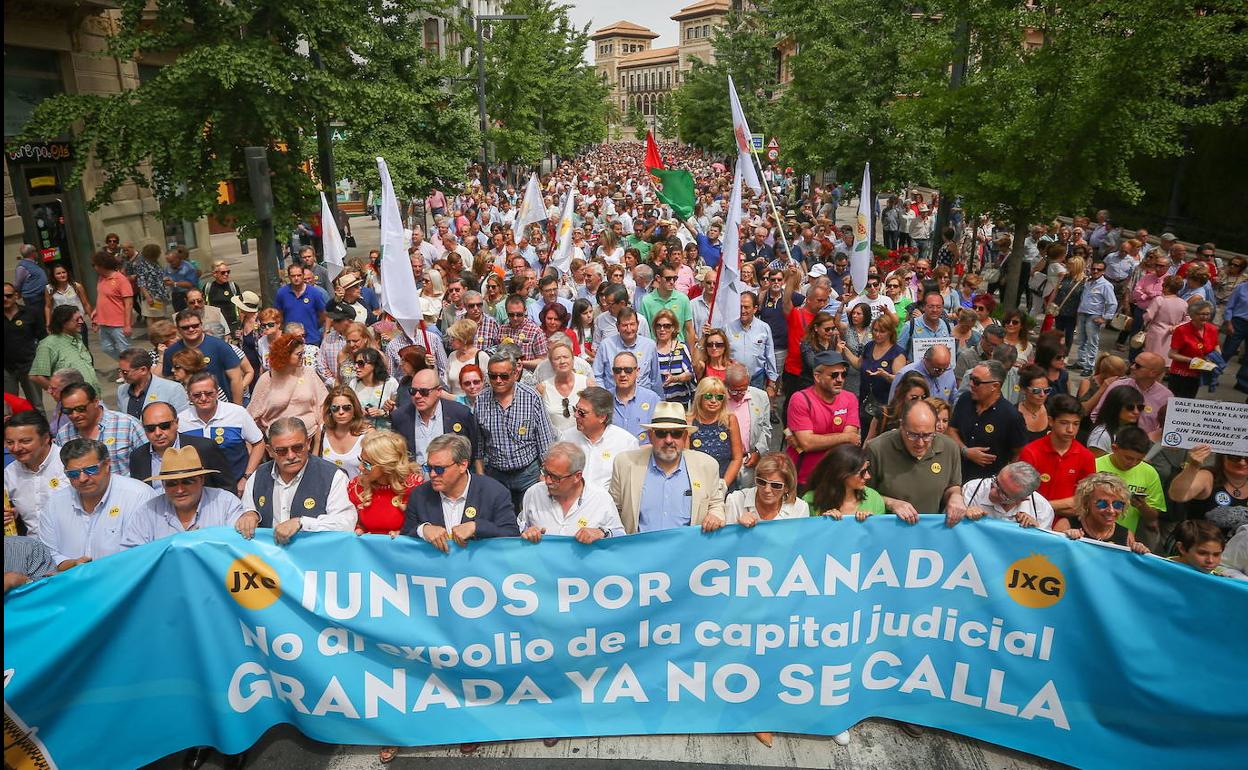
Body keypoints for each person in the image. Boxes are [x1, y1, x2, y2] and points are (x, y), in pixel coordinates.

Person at [609, 401, 727, 534]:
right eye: (662, 433)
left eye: (676, 433)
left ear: (684, 436)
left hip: (687, 551)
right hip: (639, 551)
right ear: (650, 436)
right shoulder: (625, 464)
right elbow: (612, 511)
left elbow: (716, 504)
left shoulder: (707, 466)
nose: (669, 440)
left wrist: (715, 516)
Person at [40, 438, 158, 569]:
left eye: (90, 470)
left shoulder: (138, 496)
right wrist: (72, 565)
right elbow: (47, 554)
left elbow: (149, 554)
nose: (82, 478)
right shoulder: (54, 504)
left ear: (107, 464)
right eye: (73, 474)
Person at [235, 417, 356, 545]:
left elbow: (346, 523)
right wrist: (250, 515)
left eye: (297, 448)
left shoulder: (333, 476)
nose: (291, 456)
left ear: (308, 443)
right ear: (270, 451)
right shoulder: (258, 476)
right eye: (281, 451)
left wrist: (302, 523)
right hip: (269, 561)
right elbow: (247, 508)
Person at [400, 433, 519, 552]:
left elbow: (511, 534)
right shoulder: (420, 495)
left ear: (462, 465)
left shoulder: (494, 492)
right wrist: (423, 530)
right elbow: (405, 538)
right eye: (429, 468)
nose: (432, 474)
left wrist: (476, 527)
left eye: (439, 469)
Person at [476, 351, 557, 511]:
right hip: (496, 476)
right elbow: (478, 445)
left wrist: (544, 474)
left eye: (504, 376)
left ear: (515, 373)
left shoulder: (531, 397)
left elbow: (545, 441)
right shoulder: (481, 400)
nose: (498, 380)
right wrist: (481, 478)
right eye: (493, 376)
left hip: (528, 474)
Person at [867, 399, 967, 524]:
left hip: (931, 530)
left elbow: (952, 485)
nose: (920, 443)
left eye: (927, 435)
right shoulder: (877, 449)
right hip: (888, 528)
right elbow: (861, 494)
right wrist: (891, 503)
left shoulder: (950, 448)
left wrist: (955, 497)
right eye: (913, 435)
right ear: (901, 426)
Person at [121, 445, 244, 547]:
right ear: (163, 484)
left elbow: (240, 547)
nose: (179, 490)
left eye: (187, 481)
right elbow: (132, 556)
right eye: (171, 483)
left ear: (202, 480)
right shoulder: (147, 512)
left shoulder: (226, 504)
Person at [783, 349, 861, 490]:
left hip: (838, 479)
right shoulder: (800, 399)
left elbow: (850, 442)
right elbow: (807, 443)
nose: (840, 379)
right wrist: (845, 437)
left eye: (844, 374)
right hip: (805, 480)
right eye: (834, 375)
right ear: (817, 377)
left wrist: (814, 440)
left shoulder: (850, 398)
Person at [520, 441, 625, 544]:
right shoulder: (533, 493)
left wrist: (602, 533)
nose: (547, 481)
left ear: (577, 476)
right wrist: (527, 532)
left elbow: (621, 537)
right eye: (545, 472)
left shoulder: (601, 499)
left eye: (555, 477)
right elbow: (521, 526)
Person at [1019, 394, 1096, 526]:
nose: (1070, 429)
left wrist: (1043, 506)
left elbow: (1084, 502)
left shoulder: (1086, 456)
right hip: (1030, 523)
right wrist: (1065, 505)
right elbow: (1022, 497)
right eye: (1064, 423)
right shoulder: (1031, 452)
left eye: (1076, 424)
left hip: (1067, 527)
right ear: (1051, 421)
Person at [179, 372, 266, 484]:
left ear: (217, 393)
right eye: (197, 395)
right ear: (189, 396)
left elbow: (259, 443)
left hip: (235, 484)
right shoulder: (181, 420)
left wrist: (246, 478)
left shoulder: (237, 413)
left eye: (209, 393)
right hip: (197, 487)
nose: (203, 398)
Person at [129, 401, 236, 493]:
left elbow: (227, 487)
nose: (158, 433)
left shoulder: (204, 448)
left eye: (164, 426)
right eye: (150, 428)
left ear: (176, 423)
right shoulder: (138, 456)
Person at [949, 360, 1026, 481]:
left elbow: (1019, 452)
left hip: (988, 485)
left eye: (976, 381)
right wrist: (965, 451)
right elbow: (952, 430)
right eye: (971, 378)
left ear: (995, 386)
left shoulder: (1011, 416)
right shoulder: (965, 400)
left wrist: (1005, 479)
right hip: (956, 477)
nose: (971, 384)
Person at [391, 368, 483, 468]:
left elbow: (472, 450)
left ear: (439, 391)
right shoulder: (400, 417)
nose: (417, 396)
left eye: (424, 391)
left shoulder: (460, 414)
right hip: (416, 480)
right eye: (413, 391)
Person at [247, 332, 329, 446]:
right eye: (299, 354)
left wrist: (318, 440)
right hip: (279, 442)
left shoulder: (309, 373)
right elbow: (252, 414)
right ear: (285, 355)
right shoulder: (267, 379)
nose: (303, 357)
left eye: (303, 353)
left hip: (310, 438)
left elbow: (323, 405)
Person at [1094, 426, 1165, 548]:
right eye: (1128, 458)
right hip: (1092, 534)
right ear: (1114, 448)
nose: (1133, 463)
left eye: (1139, 460)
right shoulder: (1094, 465)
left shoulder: (1149, 473)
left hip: (1124, 540)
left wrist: (1142, 506)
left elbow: (1153, 516)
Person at [53, 382, 145, 476]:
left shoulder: (128, 425)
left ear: (96, 401)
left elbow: (149, 463)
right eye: (67, 411)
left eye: (80, 408)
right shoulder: (63, 435)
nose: (75, 415)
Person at [3, 410, 67, 540]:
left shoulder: (69, 463)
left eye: (25, 441)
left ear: (45, 438)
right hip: (34, 551)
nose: (16, 448)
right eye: (10, 442)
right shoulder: (9, 474)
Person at [559, 385, 639, 490]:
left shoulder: (626, 443)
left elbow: (632, 485)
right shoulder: (567, 438)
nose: (575, 415)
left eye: (582, 413)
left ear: (602, 417)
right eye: (576, 409)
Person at [161, 308, 245, 403]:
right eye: (185, 327)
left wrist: (237, 408)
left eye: (195, 325)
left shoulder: (220, 346)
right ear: (178, 329)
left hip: (221, 405)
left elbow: (236, 379)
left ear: (201, 325)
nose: (191, 329)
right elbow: (168, 382)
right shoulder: (171, 352)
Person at [1054, 472, 1150, 554]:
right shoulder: (1066, 525)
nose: (1111, 510)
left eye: (1117, 505)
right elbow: (1051, 555)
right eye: (1102, 504)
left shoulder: (1126, 535)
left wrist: (1140, 551)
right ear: (1086, 503)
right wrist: (1065, 539)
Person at [350, 429, 421, 536]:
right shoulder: (356, 486)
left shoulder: (413, 485)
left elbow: (424, 525)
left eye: (367, 464)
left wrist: (406, 534)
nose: (360, 468)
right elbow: (349, 522)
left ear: (386, 465)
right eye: (361, 460)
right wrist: (358, 529)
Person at [1088, 352, 1171, 435]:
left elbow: (1166, 428)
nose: (1132, 367)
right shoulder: (1117, 385)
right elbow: (1096, 415)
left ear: (1153, 373)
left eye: (1138, 366)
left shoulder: (1166, 397)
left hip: (1145, 445)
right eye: (1133, 363)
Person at [953, 462, 1054, 529]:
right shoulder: (973, 489)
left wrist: (1035, 531)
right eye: (995, 481)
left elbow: (1042, 550)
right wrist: (963, 514)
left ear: (1022, 499)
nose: (992, 492)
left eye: (1002, 493)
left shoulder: (1041, 510)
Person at [1167, 445, 1248, 528]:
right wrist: (1193, 466)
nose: (1242, 462)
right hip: (1202, 539)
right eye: (1234, 457)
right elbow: (1177, 495)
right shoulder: (1208, 476)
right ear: (1222, 458)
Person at [688, 376, 744, 491]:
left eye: (719, 397)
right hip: (697, 485)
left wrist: (722, 486)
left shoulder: (730, 420)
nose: (714, 401)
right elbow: (685, 459)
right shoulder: (688, 421)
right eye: (708, 396)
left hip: (725, 484)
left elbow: (737, 458)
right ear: (700, 397)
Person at [804, 443, 887, 519]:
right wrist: (823, 522)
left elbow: (879, 534)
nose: (868, 476)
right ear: (843, 474)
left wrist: (871, 523)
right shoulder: (809, 500)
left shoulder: (874, 499)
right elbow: (806, 533)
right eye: (862, 472)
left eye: (867, 470)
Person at [30, 305, 99, 393]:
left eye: (81, 318)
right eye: (77, 319)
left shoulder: (78, 338)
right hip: (73, 402)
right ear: (63, 322)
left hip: (93, 397)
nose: (82, 322)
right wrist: (57, 393)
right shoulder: (48, 344)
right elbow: (36, 376)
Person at [3, 282, 47, 407]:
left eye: (8, 295)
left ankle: (41, 427)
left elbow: (43, 339)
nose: (5, 299)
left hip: (29, 366)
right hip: (6, 369)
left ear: (16, 295)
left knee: (36, 405)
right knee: (8, 407)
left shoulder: (30, 313)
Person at [725, 292, 779, 393]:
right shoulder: (728, 328)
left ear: (755, 309)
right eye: (740, 307)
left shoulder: (764, 328)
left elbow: (770, 356)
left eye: (746, 307)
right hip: (734, 381)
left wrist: (771, 383)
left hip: (756, 379)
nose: (742, 311)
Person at [115, 347, 189, 420]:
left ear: (143, 370)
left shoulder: (173, 389)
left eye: (125, 372)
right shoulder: (122, 390)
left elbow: (183, 421)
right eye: (120, 371)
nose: (121, 375)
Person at [1166, 300, 1219, 398]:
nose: (1205, 317)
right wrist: (1192, 360)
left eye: (1207, 314)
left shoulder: (1213, 329)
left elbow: (1216, 346)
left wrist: (1215, 357)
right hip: (1181, 374)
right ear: (1192, 315)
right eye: (1201, 314)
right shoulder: (1181, 330)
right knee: (1175, 401)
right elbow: (1172, 354)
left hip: (1199, 373)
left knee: (1189, 400)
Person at [535, 337, 589, 434]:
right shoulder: (542, 388)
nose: (562, 361)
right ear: (551, 363)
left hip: (582, 441)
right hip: (554, 442)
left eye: (565, 357)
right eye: (557, 358)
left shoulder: (587, 384)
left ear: (573, 360)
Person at [318, 386, 372, 480]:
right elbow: (315, 466)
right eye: (335, 408)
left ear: (355, 408)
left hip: (359, 492)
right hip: (330, 492)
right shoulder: (322, 431)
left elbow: (375, 469)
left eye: (346, 408)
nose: (341, 412)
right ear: (329, 410)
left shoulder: (368, 434)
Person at [1074, 260, 1118, 375]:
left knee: (1092, 342)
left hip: (1094, 316)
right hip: (1082, 313)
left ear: (1103, 272)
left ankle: (1089, 366)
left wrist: (1105, 318)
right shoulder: (1087, 282)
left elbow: (1112, 303)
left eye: (1099, 269)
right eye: (1093, 269)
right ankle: (1080, 362)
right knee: (1081, 340)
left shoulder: (1106, 285)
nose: (1095, 271)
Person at [273, 263, 327, 345]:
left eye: (299, 275)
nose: (296, 278)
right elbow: (279, 315)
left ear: (303, 275)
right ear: (289, 277)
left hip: (311, 339)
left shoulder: (315, 293)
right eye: (293, 276)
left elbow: (323, 315)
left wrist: (313, 325)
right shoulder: (282, 293)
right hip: (290, 340)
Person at [1170, 520, 1243, 580]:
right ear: (1182, 548)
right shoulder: (1160, 572)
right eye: (1202, 553)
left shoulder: (1219, 579)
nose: (1210, 560)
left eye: (1216, 554)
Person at [347, 347, 399, 430]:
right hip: (360, 432)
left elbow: (400, 411)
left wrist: (384, 412)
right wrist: (357, 411)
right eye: (355, 363)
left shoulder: (390, 383)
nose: (356, 367)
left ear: (374, 365)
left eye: (361, 363)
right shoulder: (354, 383)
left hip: (385, 434)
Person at [653, 308, 696, 406]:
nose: (662, 329)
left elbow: (690, 373)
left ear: (673, 328)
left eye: (667, 326)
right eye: (658, 326)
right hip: (657, 404)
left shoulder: (681, 347)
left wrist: (675, 378)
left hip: (679, 404)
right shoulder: (651, 348)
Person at [1087, 385, 1146, 456]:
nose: (1136, 412)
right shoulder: (1101, 436)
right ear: (1115, 407)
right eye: (1130, 407)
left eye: (1140, 407)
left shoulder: (1132, 433)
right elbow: (1095, 464)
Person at [890, 343, 956, 403]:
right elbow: (893, 405)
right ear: (926, 360)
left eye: (945, 369)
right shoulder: (904, 374)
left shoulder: (948, 371)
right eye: (937, 369)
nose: (941, 372)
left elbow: (953, 398)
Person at [1143, 275, 1188, 359]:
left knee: (1151, 359)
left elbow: (1148, 316)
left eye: (1163, 285)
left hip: (1155, 333)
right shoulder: (1184, 303)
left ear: (1167, 287)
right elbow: (1187, 321)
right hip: (1172, 334)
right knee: (1165, 359)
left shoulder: (1159, 300)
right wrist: (1177, 326)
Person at [1017, 365, 1052, 443]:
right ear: (1023, 389)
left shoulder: (1053, 412)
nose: (1042, 395)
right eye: (1036, 391)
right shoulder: (1013, 414)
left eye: (1046, 390)